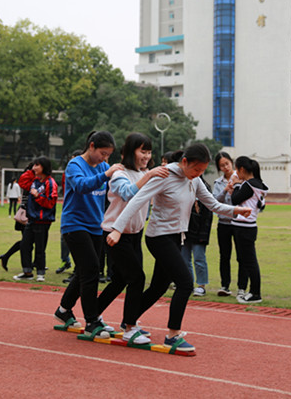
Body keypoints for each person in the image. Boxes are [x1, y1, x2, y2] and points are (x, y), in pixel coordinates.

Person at [108, 143, 251, 352]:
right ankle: (172, 335)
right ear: (184, 162)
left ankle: (129, 320)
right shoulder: (164, 175)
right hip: (158, 237)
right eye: (196, 169)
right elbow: (137, 200)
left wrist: (235, 210)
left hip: (176, 238)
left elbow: (212, 204)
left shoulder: (195, 180)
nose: (198, 174)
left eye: (202, 171)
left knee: (159, 286)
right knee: (185, 283)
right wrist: (117, 229)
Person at [97, 132, 169, 344]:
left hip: (135, 235)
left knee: (121, 279)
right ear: (131, 151)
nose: (146, 156)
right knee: (137, 278)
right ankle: (129, 327)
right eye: (142, 151)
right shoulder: (120, 173)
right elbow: (127, 193)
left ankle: (94, 313)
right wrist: (150, 175)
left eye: (149, 152)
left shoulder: (145, 173)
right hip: (115, 234)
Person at [54, 131, 124, 338]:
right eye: (103, 153)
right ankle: (92, 320)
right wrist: (106, 174)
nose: (105, 158)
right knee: (91, 269)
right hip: (75, 225)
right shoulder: (75, 165)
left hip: (96, 225)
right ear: (91, 146)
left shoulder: (103, 167)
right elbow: (82, 186)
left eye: (108, 155)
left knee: (85, 270)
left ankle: (63, 310)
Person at [229, 156, 269, 304]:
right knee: (246, 260)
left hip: (244, 227)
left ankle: (255, 293)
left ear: (242, 169)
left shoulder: (249, 185)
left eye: (236, 170)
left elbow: (235, 200)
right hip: (249, 226)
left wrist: (237, 185)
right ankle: (251, 291)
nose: (236, 174)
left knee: (249, 261)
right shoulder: (259, 184)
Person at [13, 156, 58, 282]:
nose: (34, 167)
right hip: (31, 218)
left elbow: (50, 202)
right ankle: (27, 272)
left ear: (44, 167)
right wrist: (31, 171)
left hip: (43, 220)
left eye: (37, 165)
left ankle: (40, 273)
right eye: (33, 165)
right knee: (25, 245)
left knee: (40, 247)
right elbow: (22, 182)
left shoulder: (50, 183)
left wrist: (38, 196)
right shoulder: (35, 181)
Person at [213, 151, 243, 297]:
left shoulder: (241, 179)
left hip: (238, 222)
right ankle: (225, 286)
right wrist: (225, 190)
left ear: (232, 162)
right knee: (224, 256)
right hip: (223, 222)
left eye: (227, 163)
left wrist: (236, 187)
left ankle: (242, 288)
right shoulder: (218, 183)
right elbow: (215, 201)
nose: (225, 167)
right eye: (222, 166)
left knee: (241, 256)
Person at [181, 175, 213, 297]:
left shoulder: (204, 188)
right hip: (185, 229)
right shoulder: (183, 185)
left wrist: (204, 234)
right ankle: (187, 284)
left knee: (199, 259)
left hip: (200, 231)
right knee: (184, 259)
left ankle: (201, 285)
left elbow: (208, 215)